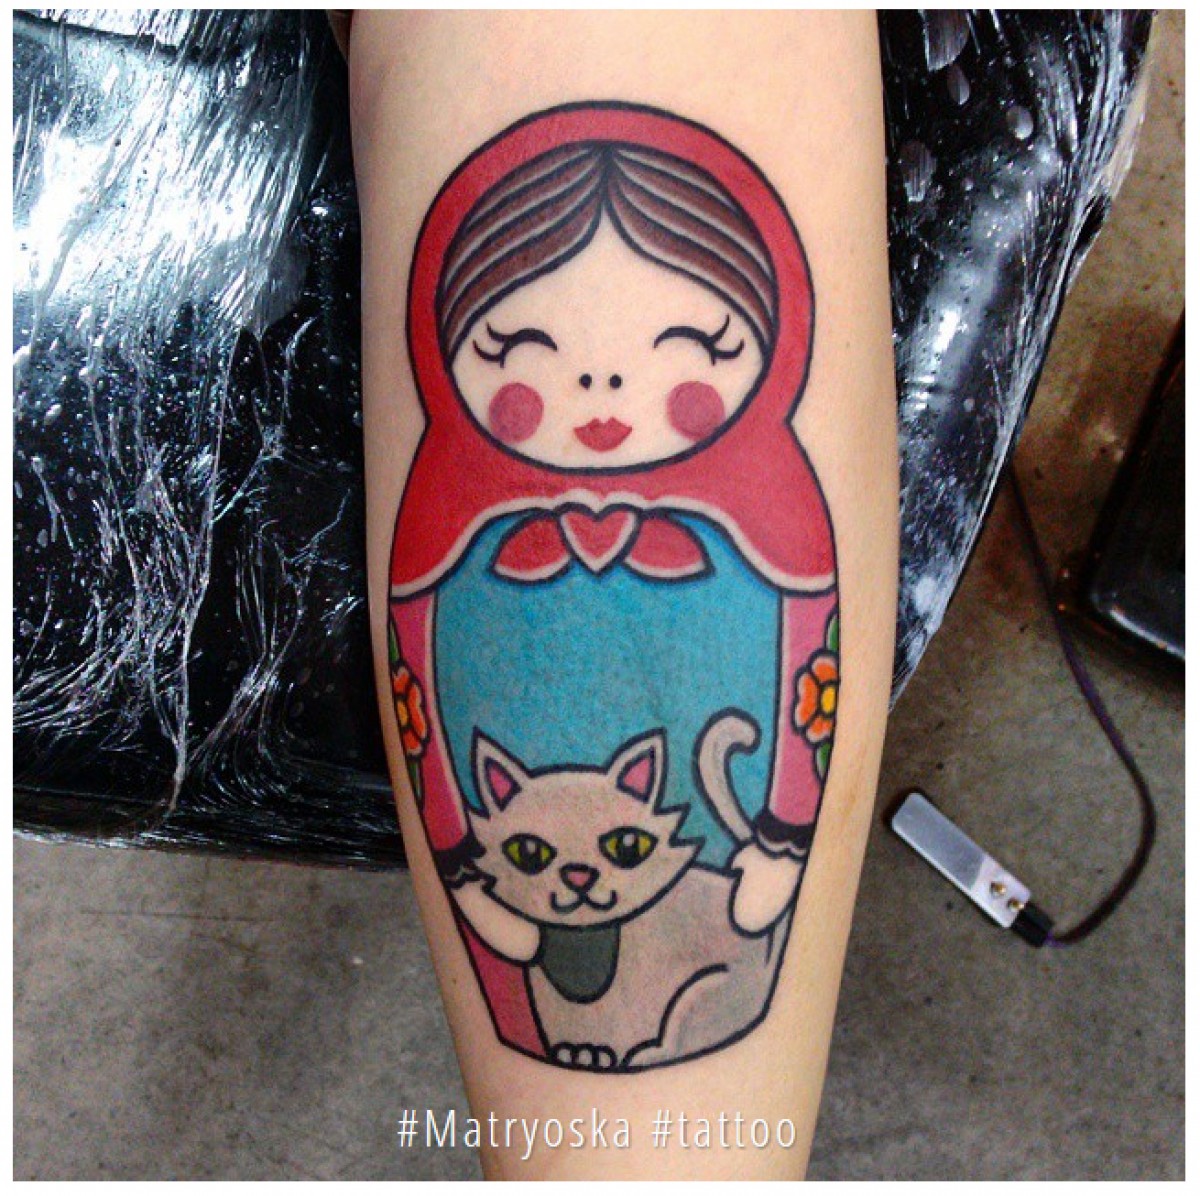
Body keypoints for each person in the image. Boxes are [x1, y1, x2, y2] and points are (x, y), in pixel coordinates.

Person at [346, 10, 897, 1178]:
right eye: (525, 353)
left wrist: (779, 840)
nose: (599, 392)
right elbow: (420, 699)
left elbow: (809, 676)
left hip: (722, 895)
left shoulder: (774, 519)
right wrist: (466, 868)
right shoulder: (454, 525)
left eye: (685, 345)